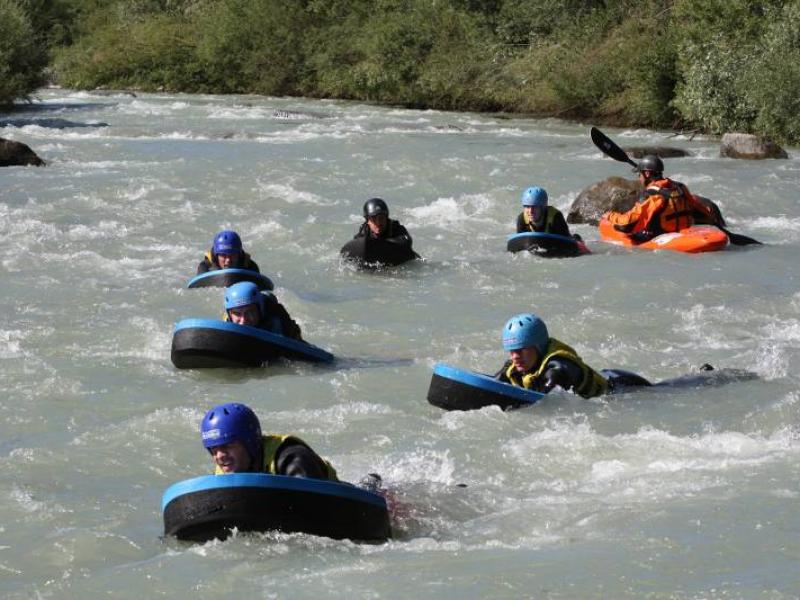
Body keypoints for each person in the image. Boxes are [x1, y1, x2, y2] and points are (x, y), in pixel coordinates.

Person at [201, 402, 338, 480]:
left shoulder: (292, 458)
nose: (219, 456)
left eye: (228, 445)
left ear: (249, 442)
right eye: (213, 449)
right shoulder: (220, 475)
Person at [604, 155, 719, 243]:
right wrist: (712, 218)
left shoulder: (651, 194)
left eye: (639, 175)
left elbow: (629, 222)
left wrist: (610, 216)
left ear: (647, 174)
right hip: (683, 230)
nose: (639, 178)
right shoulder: (680, 187)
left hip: (659, 235)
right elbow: (698, 207)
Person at [495, 313, 608, 399]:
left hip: (617, 389)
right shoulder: (514, 366)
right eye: (512, 351)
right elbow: (493, 383)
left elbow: (541, 399)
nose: (515, 356)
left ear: (538, 346)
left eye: (521, 349)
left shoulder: (558, 368)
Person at [223, 281, 302, 341]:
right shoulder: (227, 323)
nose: (243, 320)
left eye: (250, 312)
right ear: (230, 315)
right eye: (237, 314)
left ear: (260, 310)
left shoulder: (275, 320)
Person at [353, 198, 419, 257]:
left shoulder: (395, 227)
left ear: (386, 218)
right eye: (373, 219)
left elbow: (407, 242)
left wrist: (383, 245)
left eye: (381, 218)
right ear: (368, 221)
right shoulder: (364, 231)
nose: (378, 223)